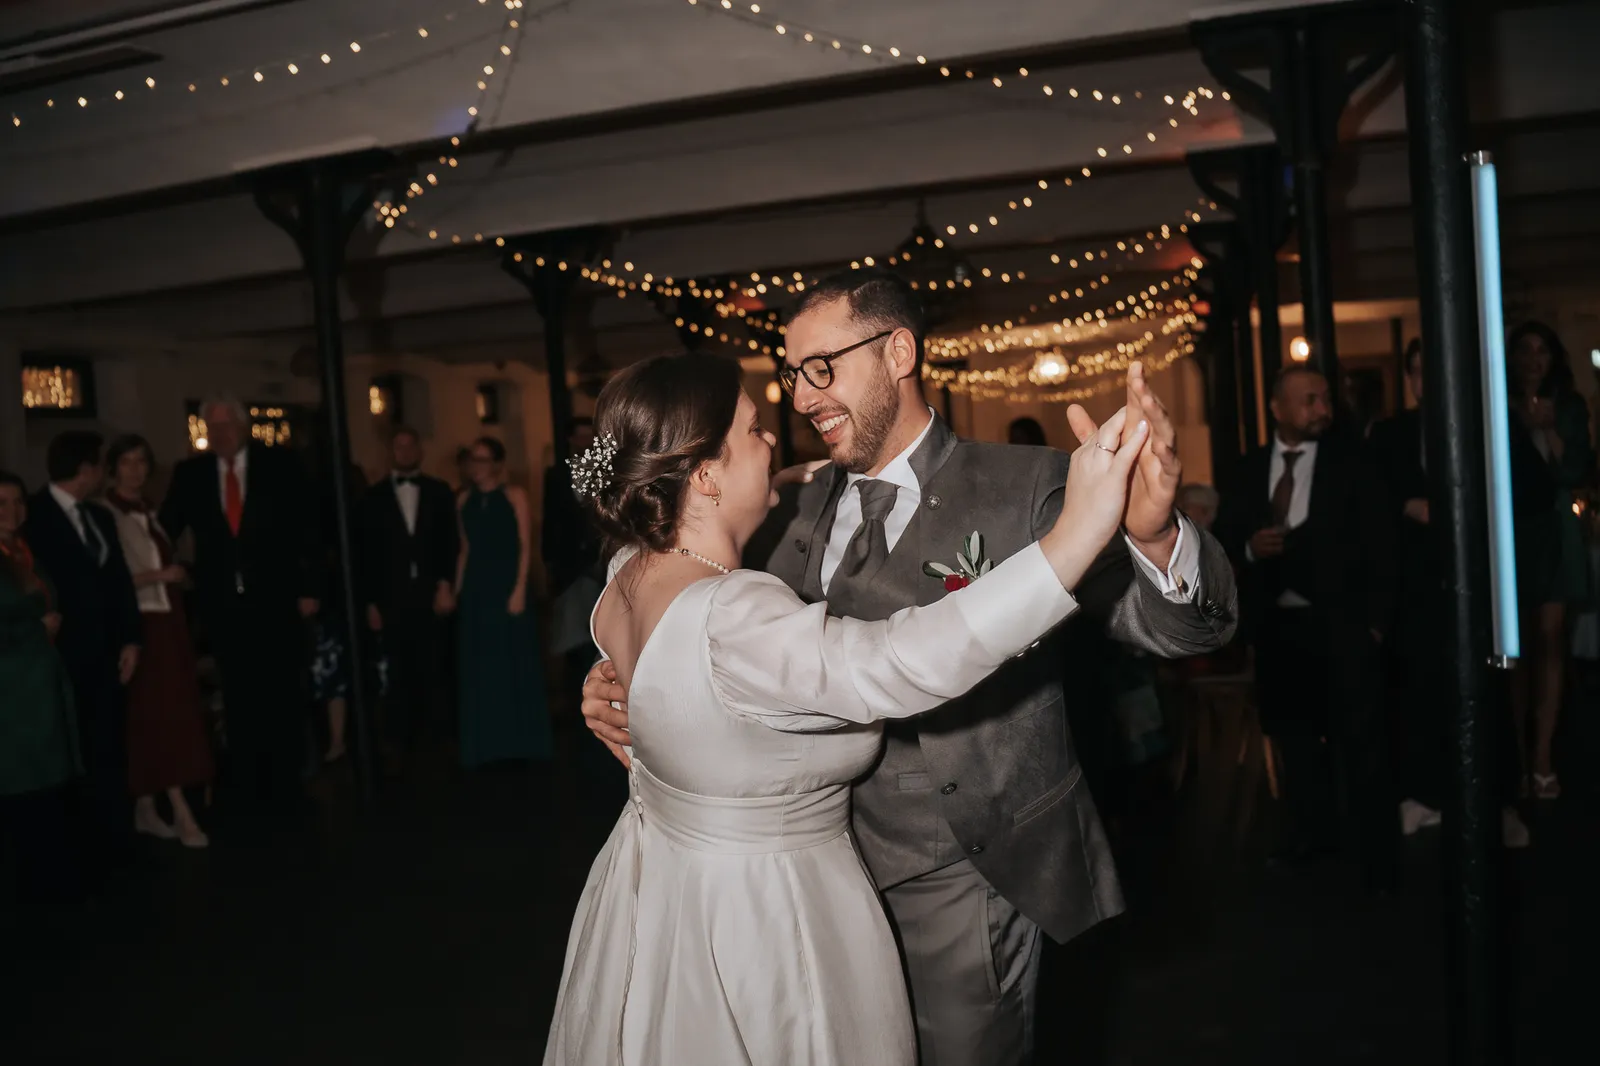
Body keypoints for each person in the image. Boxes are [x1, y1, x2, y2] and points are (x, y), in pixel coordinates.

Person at [582, 268, 1237, 1064]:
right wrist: (624, 680)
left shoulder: (1030, 486)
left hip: (965, 875)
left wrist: (1158, 537)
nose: (802, 398)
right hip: (799, 887)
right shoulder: (777, 504)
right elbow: (684, 612)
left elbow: (1176, 630)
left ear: (898, 353)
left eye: (822, 368)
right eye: (792, 374)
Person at [1214, 368, 1398, 885]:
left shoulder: (1352, 462)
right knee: (1293, 743)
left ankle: (1372, 856)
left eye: (1325, 399)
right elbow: (1223, 539)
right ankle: (1308, 840)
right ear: (1277, 408)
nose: (1322, 409)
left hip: (1343, 625)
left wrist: (1376, 626)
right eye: (1309, 400)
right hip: (1279, 629)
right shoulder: (1249, 468)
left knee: (1358, 745)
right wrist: (1251, 549)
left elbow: (1383, 544)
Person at [160, 397, 321, 818]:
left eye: (226, 426)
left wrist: (309, 587)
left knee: (281, 685)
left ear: (243, 426)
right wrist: (167, 570)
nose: (220, 435)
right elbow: (165, 528)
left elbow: (307, 526)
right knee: (237, 689)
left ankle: (288, 776)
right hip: (223, 602)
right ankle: (249, 777)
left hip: (276, 596)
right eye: (212, 428)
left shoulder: (279, 466)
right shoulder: (191, 474)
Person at [24, 431, 141, 877]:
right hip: (63, 654)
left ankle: (116, 843)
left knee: (109, 745)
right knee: (73, 750)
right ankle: (79, 847)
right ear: (87, 469)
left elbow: (119, 582)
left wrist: (131, 638)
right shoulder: (33, 516)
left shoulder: (98, 516)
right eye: (101, 466)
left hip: (106, 653)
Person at [103, 435, 213, 848]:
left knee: (165, 713)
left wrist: (174, 575)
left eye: (141, 462)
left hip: (168, 618)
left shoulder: (149, 509)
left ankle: (147, 805)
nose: (135, 470)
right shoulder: (107, 512)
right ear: (113, 468)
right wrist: (160, 576)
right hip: (142, 622)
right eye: (127, 462)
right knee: (159, 714)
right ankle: (180, 811)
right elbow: (110, 579)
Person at [1506, 321, 1594, 801]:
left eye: (1542, 350)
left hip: (1557, 529)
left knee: (1551, 638)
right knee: (1515, 644)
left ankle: (1542, 758)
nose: (1533, 359)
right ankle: (1517, 758)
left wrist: (1548, 429)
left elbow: (1578, 468)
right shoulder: (1501, 404)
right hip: (1515, 529)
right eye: (1525, 350)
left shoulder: (1569, 405)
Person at [0, 471, 83, 902]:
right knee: (20, 781)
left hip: (40, 681)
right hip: (11, 689)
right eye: (1, 503)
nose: (12, 511)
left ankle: (50, 877)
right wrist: (35, 629)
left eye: (18, 502)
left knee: (46, 782)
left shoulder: (23, 550)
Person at [358, 426, 458, 761]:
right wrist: (371, 603)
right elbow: (366, 554)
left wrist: (445, 584)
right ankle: (401, 737)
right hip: (391, 596)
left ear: (419, 450)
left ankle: (438, 736)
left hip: (430, 592)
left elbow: (449, 541)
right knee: (397, 666)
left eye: (410, 445)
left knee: (435, 662)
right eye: (398, 446)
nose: (404, 452)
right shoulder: (372, 498)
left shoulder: (439, 491)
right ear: (391, 452)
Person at [455, 436, 552, 767]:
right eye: (473, 459)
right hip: (476, 589)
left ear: (497, 464)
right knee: (481, 664)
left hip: (507, 585)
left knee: (513, 660)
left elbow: (526, 545)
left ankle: (520, 742)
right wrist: (456, 591)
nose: (476, 466)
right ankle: (486, 745)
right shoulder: (463, 500)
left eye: (483, 459)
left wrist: (520, 588)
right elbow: (465, 550)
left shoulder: (515, 496)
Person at [542, 417, 605, 694]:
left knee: (600, 634)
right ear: (570, 440)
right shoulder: (556, 474)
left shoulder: (608, 470)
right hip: (569, 567)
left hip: (600, 564)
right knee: (572, 638)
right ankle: (577, 697)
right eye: (579, 437)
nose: (584, 442)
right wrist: (550, 562)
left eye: (588, 437)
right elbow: (550, 520)